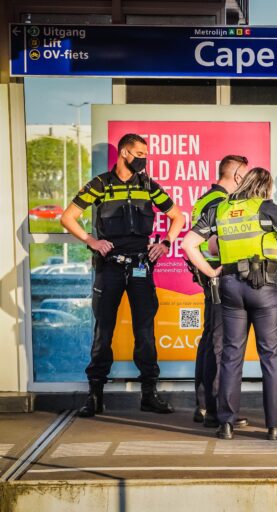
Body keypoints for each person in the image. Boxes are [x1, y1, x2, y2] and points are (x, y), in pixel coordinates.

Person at [60, 133, 185, 417]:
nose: (144, 159)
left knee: (145, 332)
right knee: (103, 331)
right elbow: (67, 217)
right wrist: (92, 241)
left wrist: (165, 243)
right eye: (140, 153)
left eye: (146, 154)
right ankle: (95, 396)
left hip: (141, 266)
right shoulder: (100, 184)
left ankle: (149, 395)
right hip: (110, 268)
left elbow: (177, 216)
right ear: (125, 153)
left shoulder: (148, 185)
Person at [182, 167, 277, 440]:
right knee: (270, 357)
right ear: (266, 186)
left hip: (230, 287)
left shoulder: (220, 208)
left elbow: (191, 245)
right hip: (264, 288)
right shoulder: (266, 207)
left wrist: (211, 271)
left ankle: (226, 423)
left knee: (231, 354)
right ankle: (275, 426)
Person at [189, 155, 250, 429]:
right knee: (219, 343)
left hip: (208, 275)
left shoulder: (205, 198)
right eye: (245, 175)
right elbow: (215, 244)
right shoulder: (220, 202)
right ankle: (216, 410)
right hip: (218, 273)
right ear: (237, 176)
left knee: (209, 340)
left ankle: (204, 405)